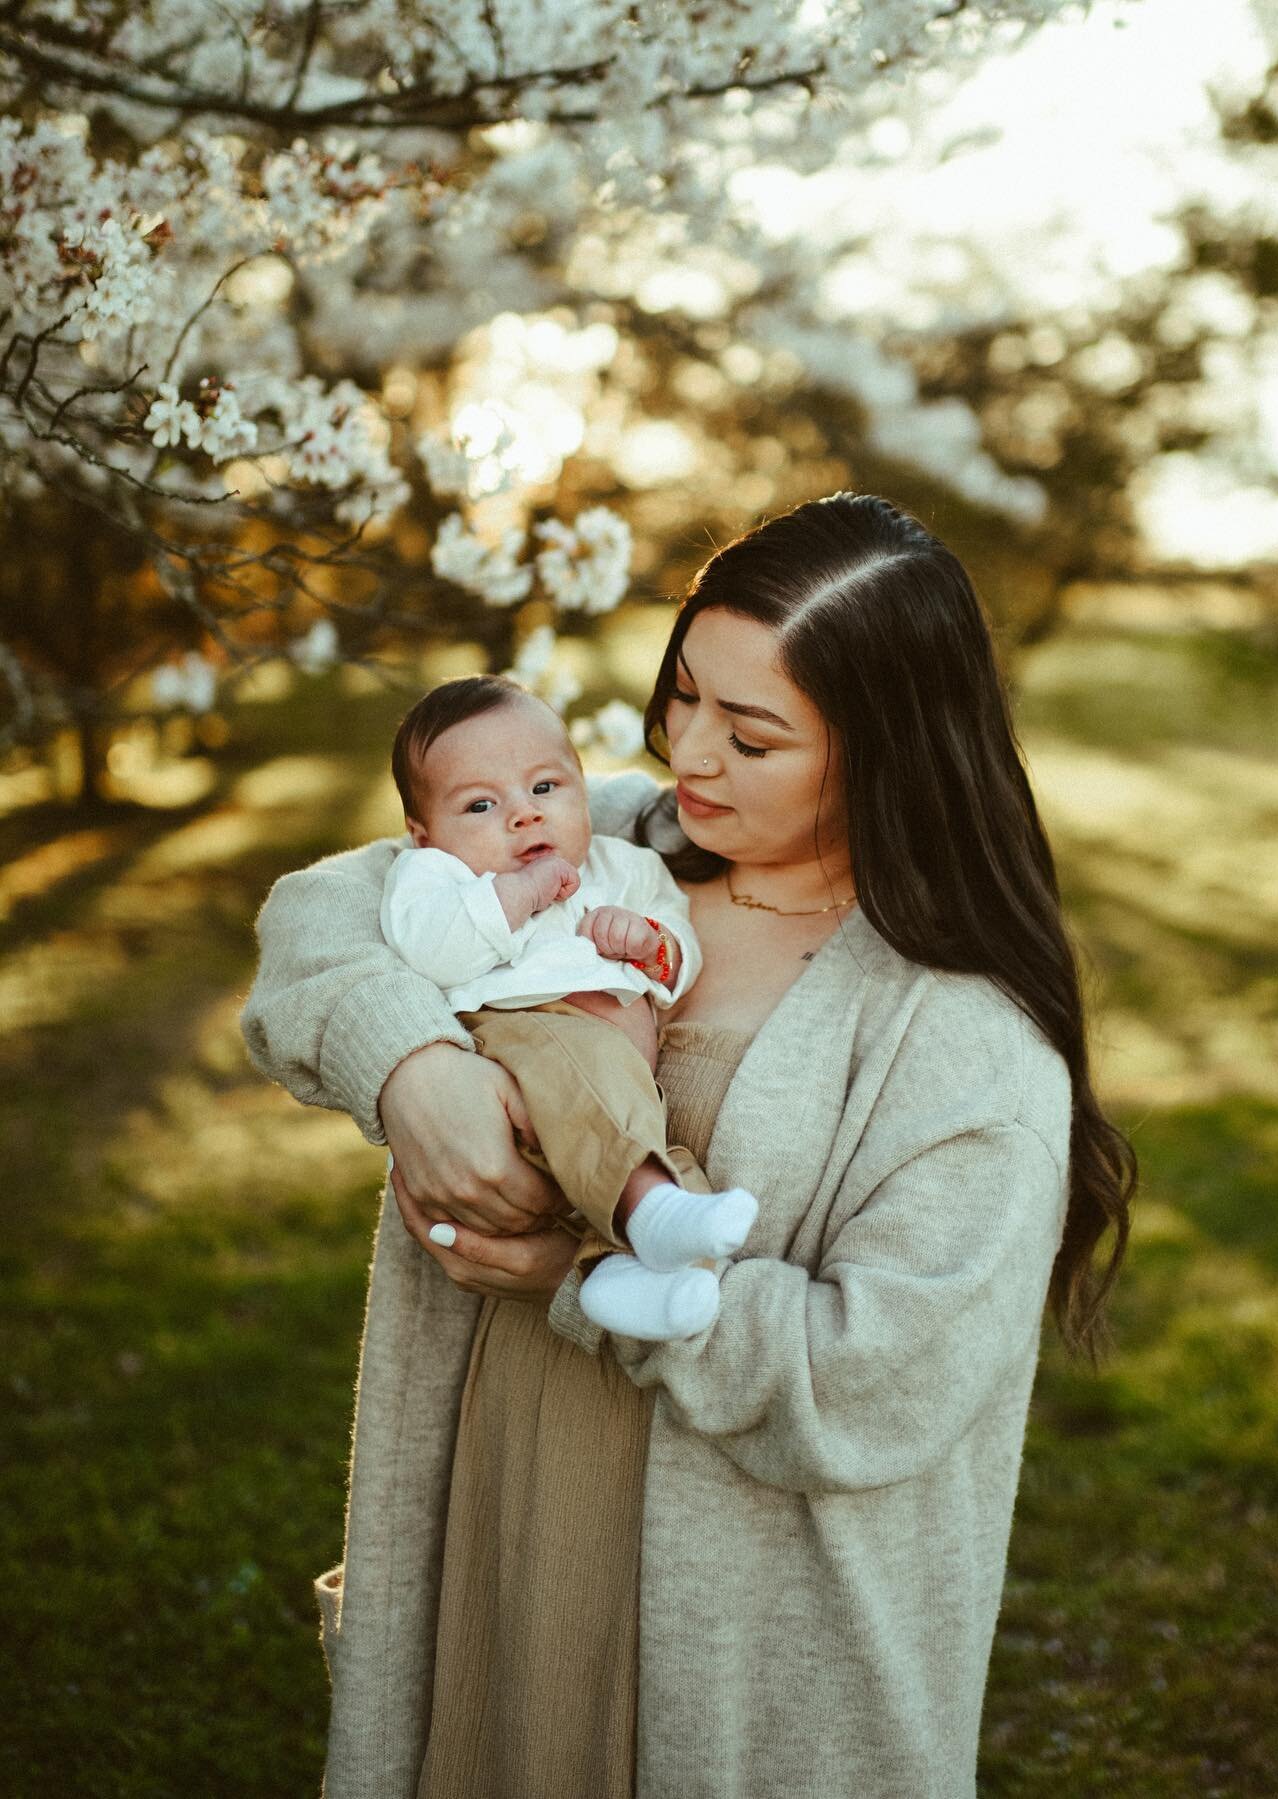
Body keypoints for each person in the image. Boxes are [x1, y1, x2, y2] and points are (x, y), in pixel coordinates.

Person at [240, 490, 1137, 1799]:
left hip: (732, 1627)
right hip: (509, 1500)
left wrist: (566, 1276)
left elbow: (862, 1377)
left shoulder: (963, 1040)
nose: (690, 754)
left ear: (885, 751)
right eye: (684, 696)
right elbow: (317, 920)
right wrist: (413, 1066)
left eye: (752, 733)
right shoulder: (607, 838)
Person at [377, 671, 759, 1341]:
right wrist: (517, 894)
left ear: (583, 789)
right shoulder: (435, 876)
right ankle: (650, 1214)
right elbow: (428, 948)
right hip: (521, 1039)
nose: (523, 814)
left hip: (616, 1084)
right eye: (479, 806)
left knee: (659, 1154)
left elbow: (680, 939)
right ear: (424, 834)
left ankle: (624, 1279)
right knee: (603, 1107)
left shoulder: (626, 867)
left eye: (545, 789)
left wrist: (650, 943)